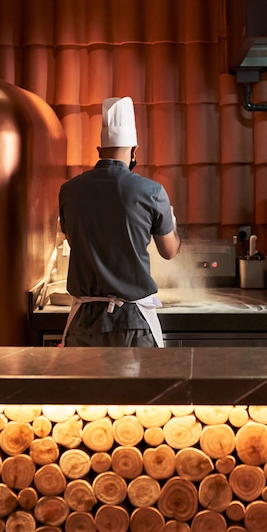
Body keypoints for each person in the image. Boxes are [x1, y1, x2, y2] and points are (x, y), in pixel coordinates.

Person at [58, 96, 181, 347]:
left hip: (84, 322)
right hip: (133, 323)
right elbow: (169, 251)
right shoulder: (152, 191)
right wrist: (173, 225)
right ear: (135, 151)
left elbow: (73, 240)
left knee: (83, 377)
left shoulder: (69, 190)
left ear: (99, 152)